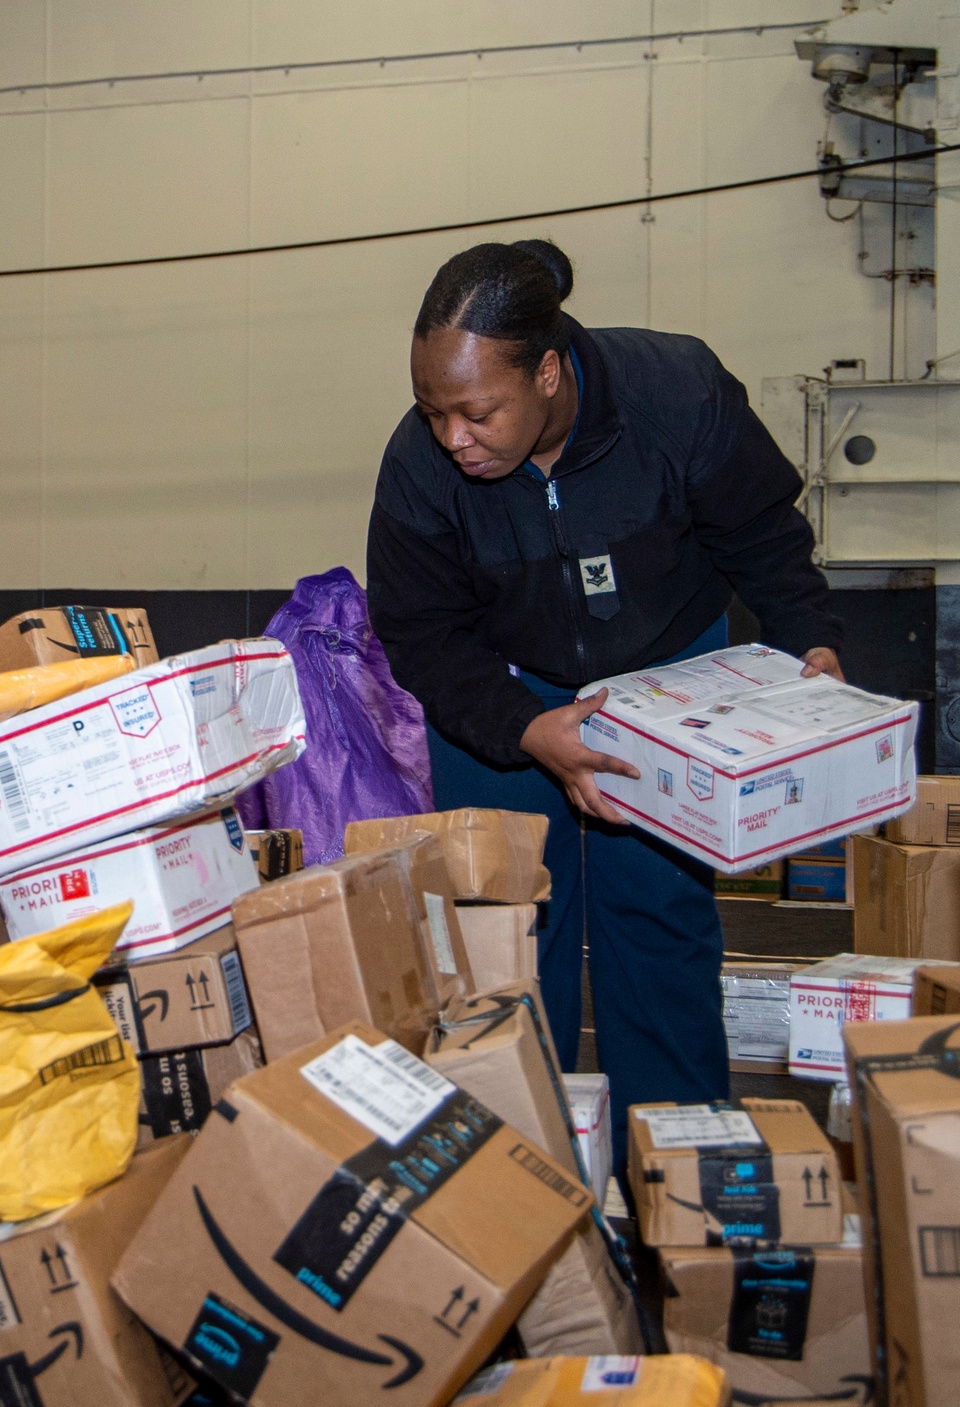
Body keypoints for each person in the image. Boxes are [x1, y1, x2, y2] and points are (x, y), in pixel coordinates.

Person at [366, 239, 843, 1179]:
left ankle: (674, 1177)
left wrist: (810, 641)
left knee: (657, 916)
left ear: (547, 371)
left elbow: (763, 536)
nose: (452, 436)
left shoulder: (678, 394)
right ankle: (509, 1171)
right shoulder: (421, 467)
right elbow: (422, 633)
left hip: (664, 677)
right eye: (433, 411)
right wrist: (521, 729)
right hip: (503, 687)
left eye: (475, 411)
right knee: (501, 927)